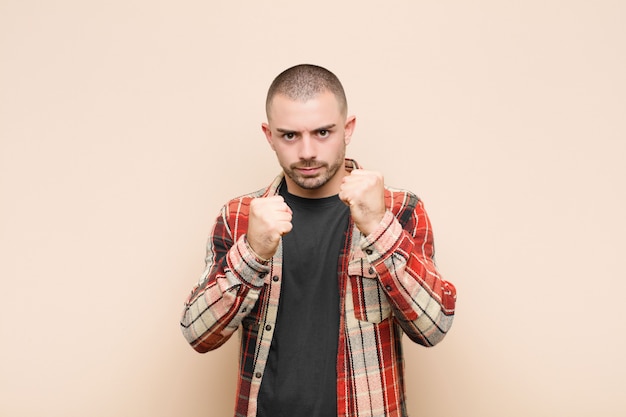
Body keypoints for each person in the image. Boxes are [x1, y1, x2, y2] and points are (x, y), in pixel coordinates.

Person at [180, 64, 457, 417]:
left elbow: (433, 327)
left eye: (323, 132)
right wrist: (252, 254)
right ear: (269, 135)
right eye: (290, 135)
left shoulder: (399, 210)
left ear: (348, 129)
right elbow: (198, 334)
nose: (307, 152)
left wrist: (377, 227)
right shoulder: (239, 216)